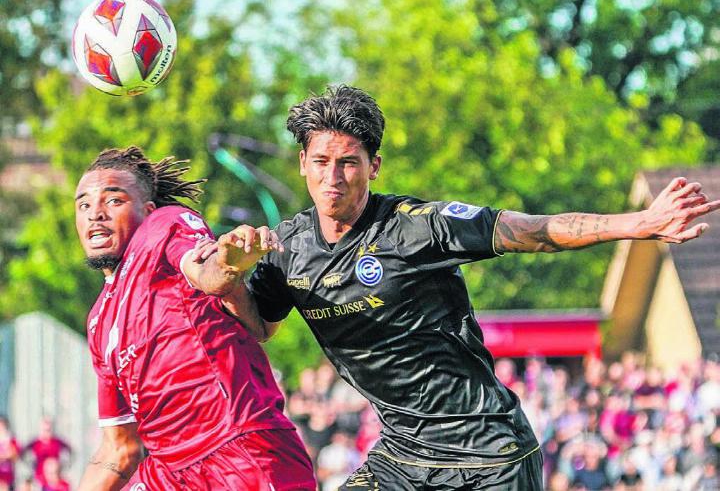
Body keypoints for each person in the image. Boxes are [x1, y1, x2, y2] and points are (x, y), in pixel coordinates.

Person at [193, 85, 720, 489]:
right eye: (322, 162)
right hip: (403, 455)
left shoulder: (417, 226)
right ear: (303, 164)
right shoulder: (287, 247)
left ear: (373, 166)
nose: (334, 177)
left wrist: (639, 223)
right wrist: (233, 277)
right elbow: (259, 327)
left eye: (349, 162)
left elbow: (534, 232)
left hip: (491, 454)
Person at [73, 147, 315, 490]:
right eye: (83, 205)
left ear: (148, 210)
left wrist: (228, 265)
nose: (95, 213)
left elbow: (203, 270)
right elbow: (118, 449)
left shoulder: (163, 225)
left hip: (238, 453)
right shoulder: (99, 321)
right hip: (169, 471)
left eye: (113, 201)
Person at [22, 418, 70, 487]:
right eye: (44, 430)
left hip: (54, 478)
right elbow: (22, 453)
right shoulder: (35, 443)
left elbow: (70, 451)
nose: (47, 432)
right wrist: (31, 465)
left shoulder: (57, 442)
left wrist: (63, 466)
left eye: (49, 430)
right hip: (39, 477)